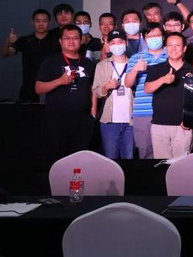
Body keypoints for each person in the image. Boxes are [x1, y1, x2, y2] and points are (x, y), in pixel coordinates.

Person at [35, 24, 96, 163]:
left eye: (75, 38)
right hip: (57, 119)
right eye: (67, 38)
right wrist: (59, 81)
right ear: (60, 41)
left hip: (83, 119)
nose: (71, 41)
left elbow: (93, 88)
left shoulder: (88, 63)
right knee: (57, 158)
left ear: (81, 40)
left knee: (81, 159)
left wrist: (92, 113)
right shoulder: (51, 61)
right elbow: (38, 88)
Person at [144, 32, 193, 159]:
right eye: (170, 45)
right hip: (159, 124)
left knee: (182, 164)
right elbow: (147, 89)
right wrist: (162, 80)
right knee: (161, 163)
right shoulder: (156, 69)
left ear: (184, 48)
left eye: (177, 45)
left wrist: (189, 119)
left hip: (183, 126)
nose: (173, 49)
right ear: (165, 48)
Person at [124, 22, 168, 159]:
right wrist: (135, 69)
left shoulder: (170, 56)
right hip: (143, 112)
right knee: (145, 153)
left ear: (163, 36)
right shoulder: (136, 58)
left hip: (165, 112)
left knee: (165, 154)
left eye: (157, 35)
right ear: (144, 38)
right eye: (150, 36)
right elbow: (127, 83)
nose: (154, 39)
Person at [92, 29, 135, 159]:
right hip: (109, 122)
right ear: (109, 45)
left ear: (126, 43)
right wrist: (106, 87)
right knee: (111, 159)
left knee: (129, 158)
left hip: (131, 121)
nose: (117, 45)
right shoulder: (101, 66)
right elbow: (96, 91)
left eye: (120, 42)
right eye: (113, 43)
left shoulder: (134, 64)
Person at [1, 8, 56, 102]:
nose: (41, 24)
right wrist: (8, 42)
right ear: (32, 22)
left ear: (50, 23)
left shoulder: (56, 41)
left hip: (50, 85)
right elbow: (5, 54)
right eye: (37, 21)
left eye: (44, 21)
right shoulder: (25, 40)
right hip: (28, 87)